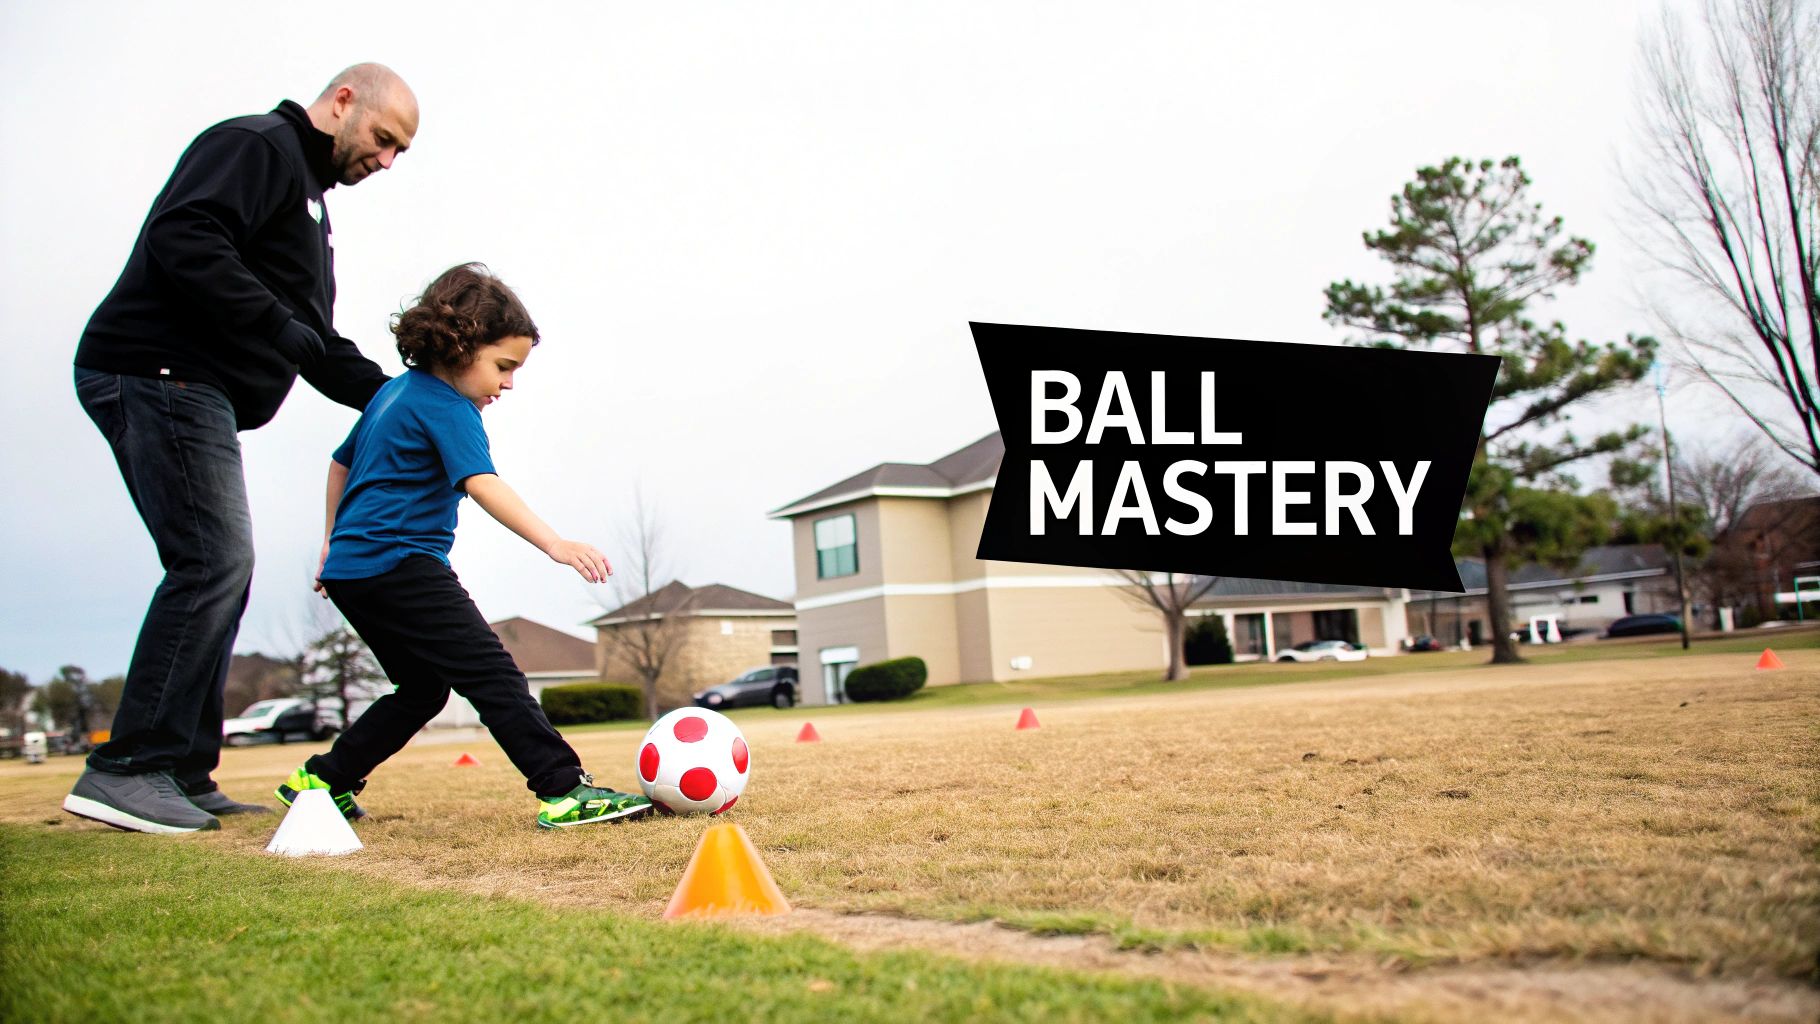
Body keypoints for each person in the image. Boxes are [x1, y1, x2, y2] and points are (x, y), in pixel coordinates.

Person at [64, 65, 421, 834]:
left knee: (223, 567)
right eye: (384, 138)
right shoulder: (258, 145)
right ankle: (128, 768)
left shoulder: (309, 201)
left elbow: (314, 341)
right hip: (158, 371)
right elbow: (183, 235)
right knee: (212, 560)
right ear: (343, 102)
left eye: (401, 151)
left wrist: (403, 399)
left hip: (197, 391)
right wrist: (275, 322)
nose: (388, 160)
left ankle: (183, 771)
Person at [276, 263, 653, 830]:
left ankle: (321, 781)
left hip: (353, 572)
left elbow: (339, 465)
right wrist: (554, 543)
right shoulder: (449, 406)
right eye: (503, 366)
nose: (509, 384)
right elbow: (482, 483)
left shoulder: (392, 393)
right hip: (400, 563)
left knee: (422, 689)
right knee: (491, 673)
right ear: (460, 344)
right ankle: (562, 790)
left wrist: (331, 543)